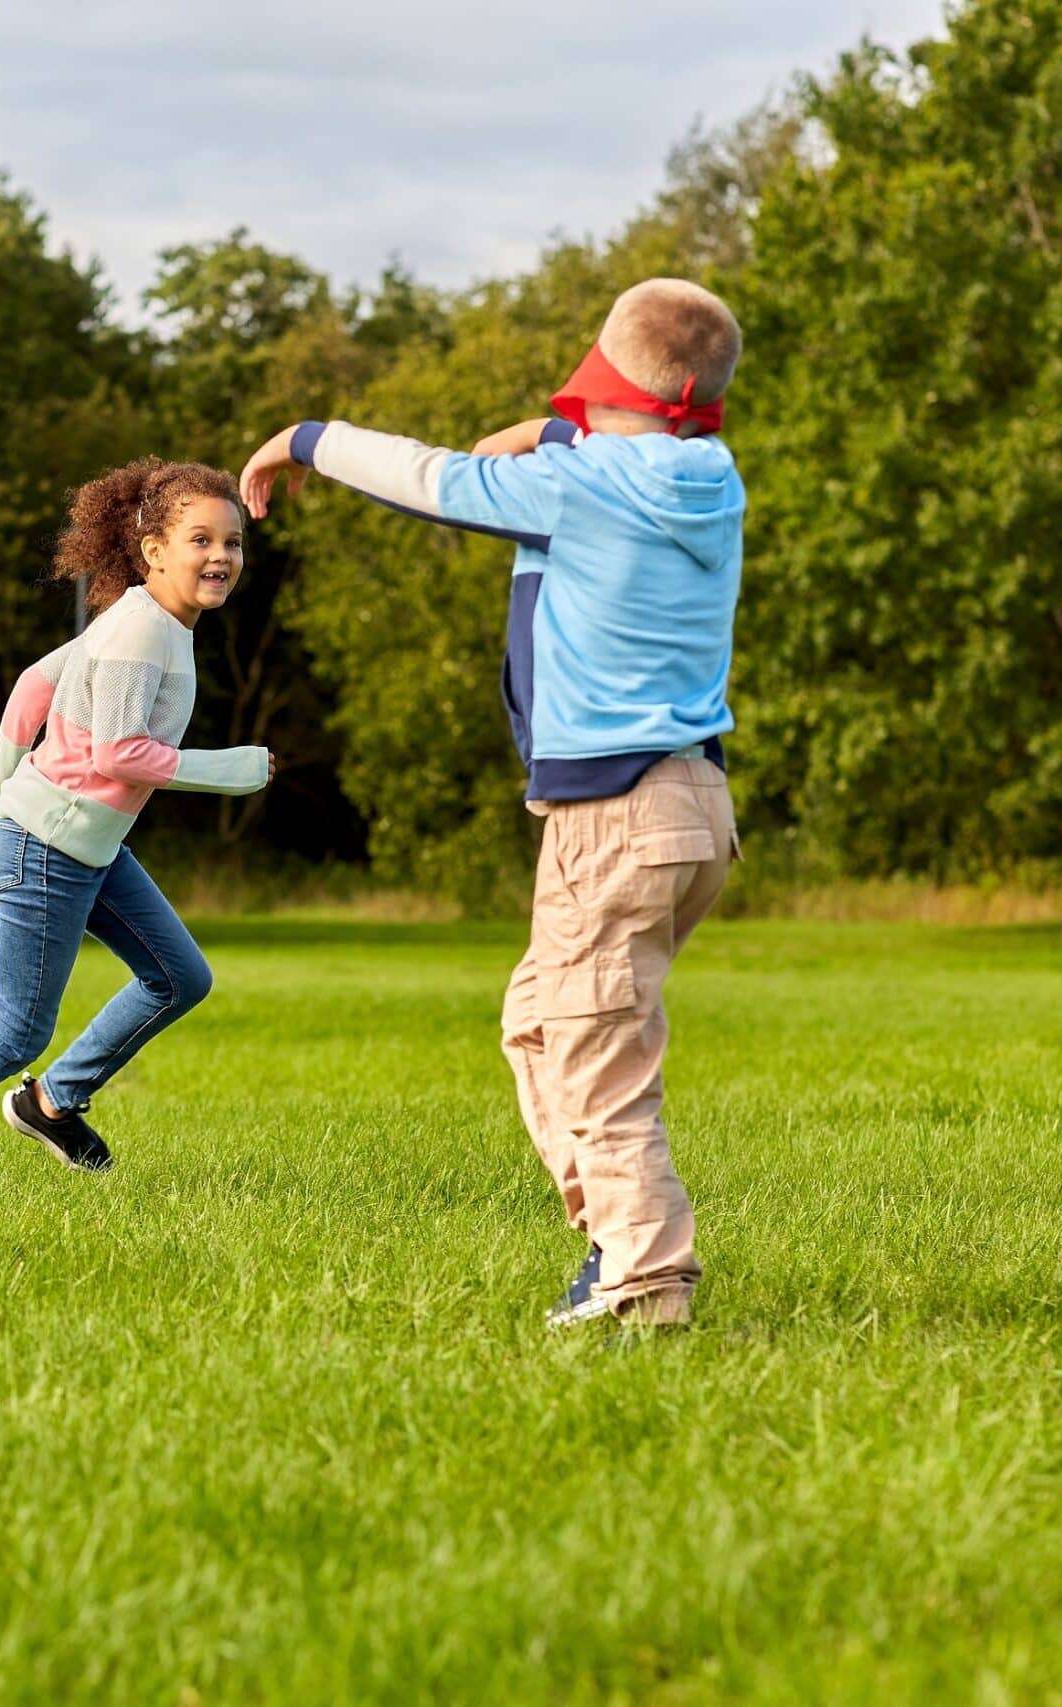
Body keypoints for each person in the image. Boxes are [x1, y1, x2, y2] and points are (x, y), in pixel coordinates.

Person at [240, 280, 746, 1328]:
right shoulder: (705, 473)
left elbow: (437, 475)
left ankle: (644, 1283)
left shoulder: (584, 487)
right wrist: (566, 425)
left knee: (598, 1055)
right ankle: (612, 1241)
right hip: (691, 807)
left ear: (601, 383)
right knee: (538, 1024)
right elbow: (566, 440)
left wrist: (305, 436)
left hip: (614, 813)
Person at [0, 458, 272, 1193]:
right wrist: (231, 768)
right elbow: (119, 752)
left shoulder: (149, 620)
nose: (221, 557)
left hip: (81, 843)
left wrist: (4, 793)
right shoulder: (141, 633)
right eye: (201, 540)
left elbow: (37, 681)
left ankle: (52, 1103)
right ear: (155, 550)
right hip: (51, 845)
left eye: (233, 543)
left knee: (178, 976)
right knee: (14, 1032)